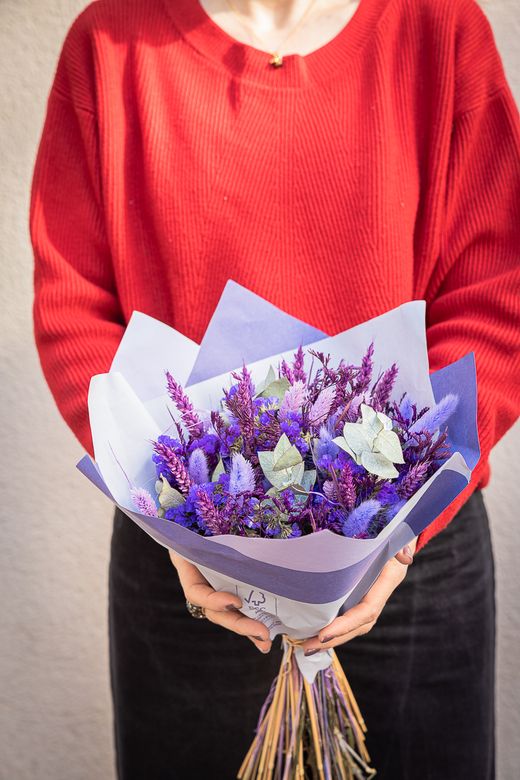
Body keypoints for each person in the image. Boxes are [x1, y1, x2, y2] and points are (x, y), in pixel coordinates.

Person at [30, 0, 519, 777]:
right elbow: (74, 307)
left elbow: (497, 295)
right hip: (191, 563)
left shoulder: (441, 29)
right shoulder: (112, 45)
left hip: (411, 559)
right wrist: (165, 511)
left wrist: (400, 534)